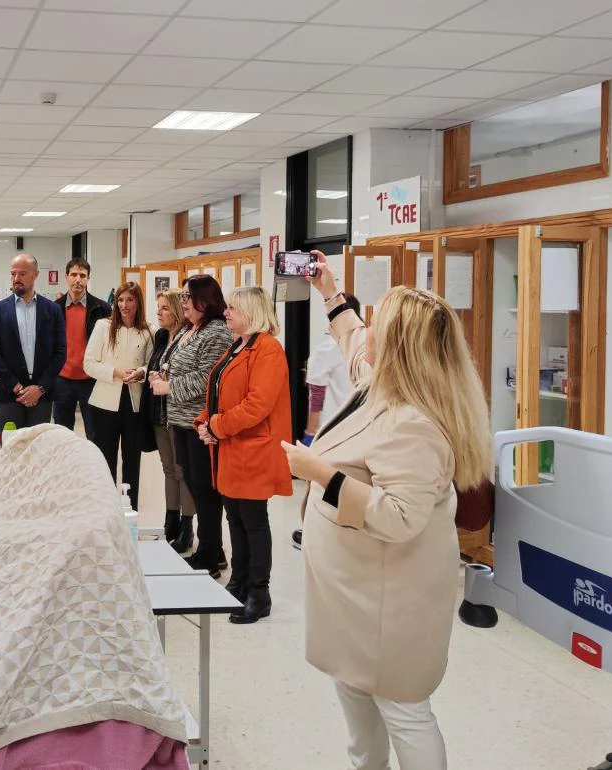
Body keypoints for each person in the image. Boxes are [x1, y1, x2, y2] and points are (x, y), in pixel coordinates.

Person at [282, 252, 492, 770]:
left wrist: (321, 475)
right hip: (354, 595)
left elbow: (400, 517)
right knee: (355, 697)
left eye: (378, 320)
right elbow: (353, 342)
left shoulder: (413, 424)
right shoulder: (381, 384)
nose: (367, 324)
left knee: (403, 710)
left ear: (399, 345)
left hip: (387, 605)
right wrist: (329, 291)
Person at [195, 287, 293, 624]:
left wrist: (217, 426)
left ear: (251, 312)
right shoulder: (238, 346)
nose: (226, 313)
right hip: (231, 449)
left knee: (253, 521)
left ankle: (258, 592)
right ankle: (237, 582)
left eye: (233, 308)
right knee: (234, 518)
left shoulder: (268, 350)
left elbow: (257, 405)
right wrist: (204, 422)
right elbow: (218, 391)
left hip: (252, 449)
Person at [148, 275, 232, 577]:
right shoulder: (189, 329)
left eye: (187, 297)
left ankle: (209, 554)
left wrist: (168, 388)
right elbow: (172, 363)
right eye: (182, 298)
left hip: (198, 423)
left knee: (205, 491)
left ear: (204, 300)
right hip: (179, 421)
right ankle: (212, 549)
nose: (182, 303)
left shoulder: (216, 332)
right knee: (194, 487)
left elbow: (206, 378)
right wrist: (158, 377)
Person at [293, 291, 362, 549]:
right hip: (358, 426)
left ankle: (311, 532)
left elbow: (317, 394)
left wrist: (310, 432)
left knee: (320, 484)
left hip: (330, 426)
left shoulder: (326, 349)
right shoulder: (364, 344)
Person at [82, 282, 152, 509]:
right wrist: (116, 373)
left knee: (132, 460)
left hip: (134, 403)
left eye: (129, 300)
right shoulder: (103, 326)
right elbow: (89, 364)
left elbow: (152, 364)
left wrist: (141, 372)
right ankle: (105, 509)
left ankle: (131, 509)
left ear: (138, 302)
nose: (124, 305)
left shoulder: (148, 330)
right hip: (104, 403)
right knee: (104, 460)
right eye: (120, 300)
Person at [0, 254, 66, 429]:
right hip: (9, 394)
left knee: (38, 449)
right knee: (11, 448)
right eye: (13, 274)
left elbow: (60, 353)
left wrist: (40, 388)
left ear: (35, 274)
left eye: (22, 274)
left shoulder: (52, 310)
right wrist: (17, 387)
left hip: (42, 396)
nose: (16, 279)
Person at [143, 289, 196, 554]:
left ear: (175, 310)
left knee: (182, 469)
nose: (159, 312)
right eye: (158, 307)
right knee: (168, 469)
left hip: (180, 412)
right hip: (160, 411)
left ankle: (187, 526)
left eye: (164, 308)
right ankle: (170, 519)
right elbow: (158, 365)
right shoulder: (162, 335)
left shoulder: (189, 336)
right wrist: (148, 374)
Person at [53, 259, 111, 437]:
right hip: (62, 379)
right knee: (62, 433)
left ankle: (94, 465)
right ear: (66, 277)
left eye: (82, 275)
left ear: (88, 278)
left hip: (91, 380)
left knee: (95, 433)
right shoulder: (54, 308)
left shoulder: (102, 308)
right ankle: (65, 466)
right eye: (74, 275)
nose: (78, 279)